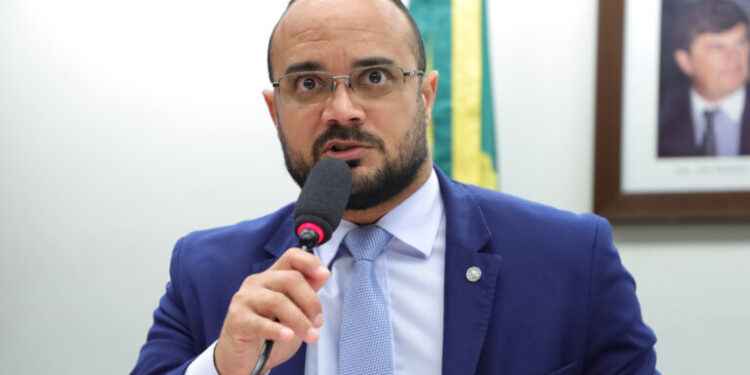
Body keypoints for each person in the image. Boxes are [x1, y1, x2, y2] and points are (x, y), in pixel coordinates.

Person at [132, 0, 659, 374]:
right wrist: (224, 370)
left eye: (375, 77)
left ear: (427, 97)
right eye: (308, 84)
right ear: (275, 111)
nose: (341, 111)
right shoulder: (206, 271)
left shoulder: (570, 257)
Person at [659, 0, 750, 157]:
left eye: (740, 43)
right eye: (716, 47)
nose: (733, 56)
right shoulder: (657, 117)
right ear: (685, 62)